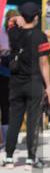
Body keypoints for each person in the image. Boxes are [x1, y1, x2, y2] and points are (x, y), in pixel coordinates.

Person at [2, 2, 50, 170]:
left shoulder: (13, 33)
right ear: (36, 17)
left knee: (14, 120)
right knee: (32, 121)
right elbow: (44, 63)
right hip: (34, 82)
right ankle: (31, 159)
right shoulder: (40, 36)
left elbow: (10, 22)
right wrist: (49, 87)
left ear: (22, 16)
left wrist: (18, 18)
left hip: (15, 82)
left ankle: (9, 157)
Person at [0, 10, 19, 150]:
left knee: (12, 106)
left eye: (14, 20)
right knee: (4, 105)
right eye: (10, 20)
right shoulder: (2, 32)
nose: (11, 23)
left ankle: (9, 139)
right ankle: (5, 139)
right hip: (3, 73)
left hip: (16, 74)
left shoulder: (22, 33)